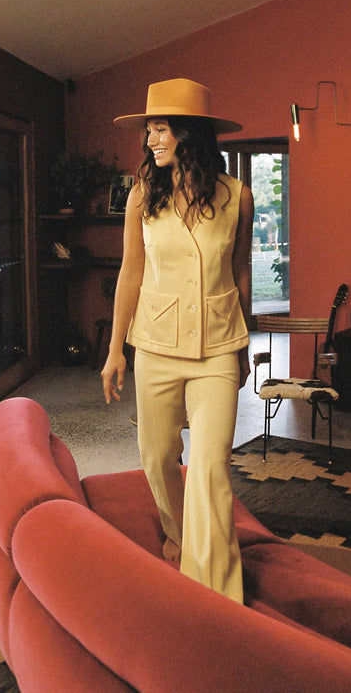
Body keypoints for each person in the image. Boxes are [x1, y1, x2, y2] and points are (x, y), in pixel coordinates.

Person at [101, 78, 253, 604]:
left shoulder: (238, 197)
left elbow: (240, 273)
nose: (151, 141)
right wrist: (115, 349)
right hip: (157, 345)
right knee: (157, 455)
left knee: (210, 468)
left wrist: (243, 340)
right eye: (149, 131)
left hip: (217, 349)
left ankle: (215, 601)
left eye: (160, 129)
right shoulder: (142, 196)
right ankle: (176, 532)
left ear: (189, 133)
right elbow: (129, 275)